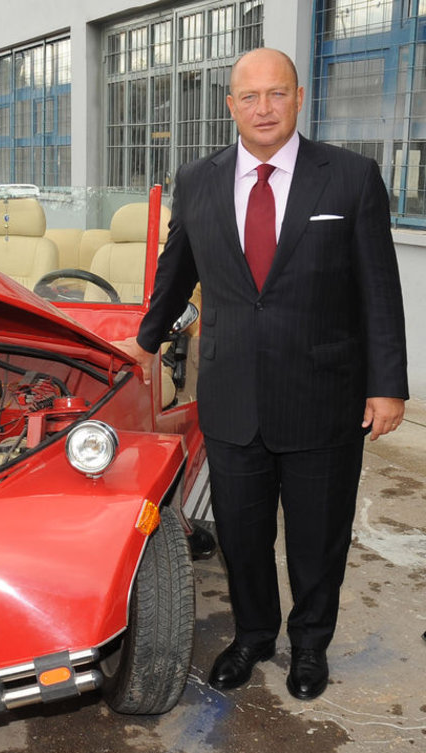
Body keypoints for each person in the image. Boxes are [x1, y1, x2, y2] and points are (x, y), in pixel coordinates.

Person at [115, 48, 408, 700]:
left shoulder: (351, 177)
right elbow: (175, 271)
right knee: (242, 534)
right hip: (232, 395)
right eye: (250, 96)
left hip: (323, 396)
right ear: (231, 106)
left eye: (277, 93)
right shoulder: (199, 179)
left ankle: (310, 646)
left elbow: (379, 289)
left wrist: (387, 385)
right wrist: (145, 342)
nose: (264, 107)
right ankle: (252, 636)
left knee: (317, 537)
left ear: (300, 98)